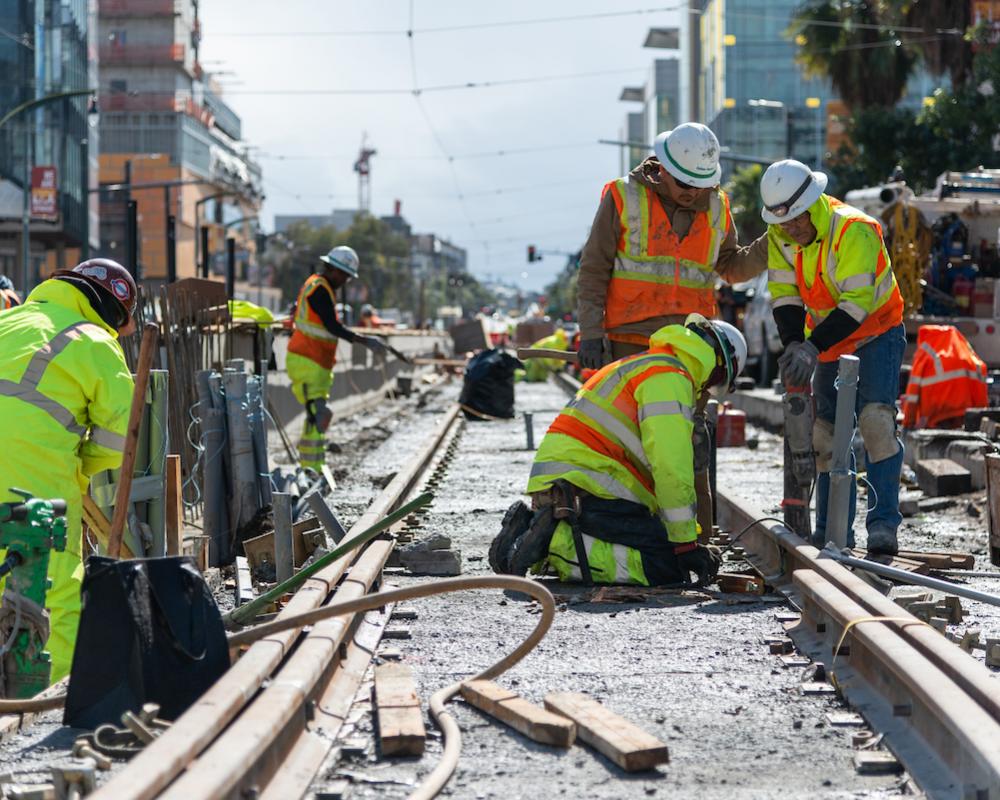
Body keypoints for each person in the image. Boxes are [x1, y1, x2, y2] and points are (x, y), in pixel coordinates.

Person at [489, 316, 747, 587]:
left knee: (662, 546)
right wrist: (685, 544)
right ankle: (553, 545)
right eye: (718, 381)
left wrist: (686, 539)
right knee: (664, 566)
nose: (707, 388)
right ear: (716, 363)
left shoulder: (649, 364)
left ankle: (534, 529)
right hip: (587, 487)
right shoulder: (670, 379)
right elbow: (671, 468)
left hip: (573, 485)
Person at [0, 258, 136, 682]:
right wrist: (79, 468)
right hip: (34, 468)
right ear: (114, 314)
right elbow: (122, 436)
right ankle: (56, 693)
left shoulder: (12, 318)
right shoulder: (94, 339)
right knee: (55, 586)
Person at [760, 159, 906, 556]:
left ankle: (883, 525)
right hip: (828, 339)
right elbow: (785, 293)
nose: (789, 230)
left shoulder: (854, 230)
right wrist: (793, 342)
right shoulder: (780, 233)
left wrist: (811, 347)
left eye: (795, 221)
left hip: (876, 332)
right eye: (782, 223)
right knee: (825, 434)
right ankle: (831, 528)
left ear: (812, 205)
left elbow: (857, 304)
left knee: (876, 423)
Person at [287, 246, 388, 472]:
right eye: (344, 275)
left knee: (317, 418)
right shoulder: (319, 289)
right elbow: (331, 326)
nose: (345, 281)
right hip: (306, 359)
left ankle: (314, 466)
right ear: (333, 269)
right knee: (319, 415)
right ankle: (309, 469)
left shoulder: (320, 287)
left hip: (316, 361)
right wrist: (364, 340)